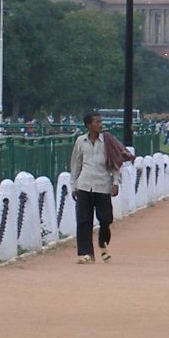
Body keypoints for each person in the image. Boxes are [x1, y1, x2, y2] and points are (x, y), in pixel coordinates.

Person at [69, 113, 131, 264]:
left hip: (103, 185)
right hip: (84, 185)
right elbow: (76, 164)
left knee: (105, 219)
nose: (101, 125)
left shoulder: (108, 141)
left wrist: (116, 182)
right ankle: (87, 253)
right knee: (84, 220)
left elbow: (115, 162)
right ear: (89, 125)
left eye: (101, 121)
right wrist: (74, 185)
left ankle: (102, 243)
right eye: (97, 122)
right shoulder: (80, 141)